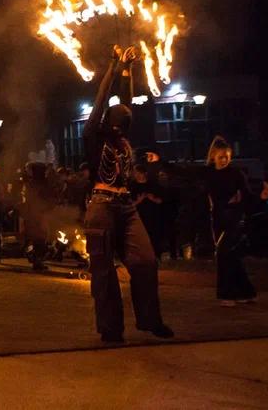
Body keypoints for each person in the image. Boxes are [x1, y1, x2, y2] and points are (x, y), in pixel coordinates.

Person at [82, 46, 173, 343]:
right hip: (101, 206)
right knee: (104, 271)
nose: (124, 123)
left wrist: (128, 69)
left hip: (126, 206)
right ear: (109, 121)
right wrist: (111, 65)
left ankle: (150, 320)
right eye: (119, 120)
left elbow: (126, 102)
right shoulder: (94, 136)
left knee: (145, 261)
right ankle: (111, 328)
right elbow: (103, 100)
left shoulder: (123, 140)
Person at [206, 137, 257, 306]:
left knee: (224, 253)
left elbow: (248, 195)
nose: (225, 160)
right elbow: (185, 175)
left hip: (234, 219)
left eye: (227, 156)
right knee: (231, 255)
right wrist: (159, 161)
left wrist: (256, 198)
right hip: (218, 219)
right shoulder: (209, 173)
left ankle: (227, 294)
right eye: (221, 156)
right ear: (213, 156)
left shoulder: (236, 174)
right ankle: (246, 292)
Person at [130, 164, 163, 256]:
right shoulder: (132, 186)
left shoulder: (153, 184)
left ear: (144, 173)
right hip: (138, 215)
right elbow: (129, 204)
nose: (137, 175)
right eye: (135, 173)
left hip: (153, 214)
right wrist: (139, 201)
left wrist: (152, 199)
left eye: (139, 173)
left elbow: (160, 201)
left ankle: (156, 255)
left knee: (153, 234)